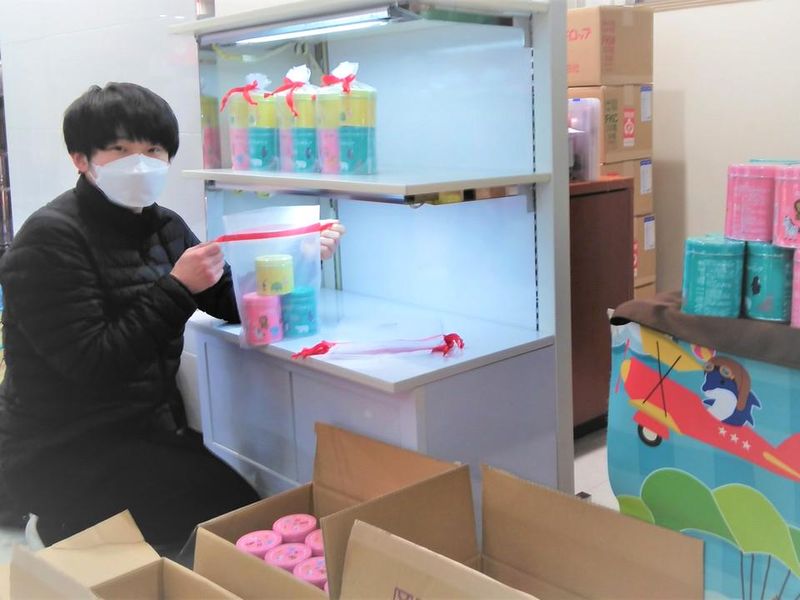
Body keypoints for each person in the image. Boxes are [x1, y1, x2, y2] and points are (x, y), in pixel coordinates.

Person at [0, 82, 344, 549]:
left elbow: (227, 300)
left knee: (244, 511)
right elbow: (93, 364)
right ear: (81, 159)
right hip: (62, 448)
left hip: (141, 431)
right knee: (232, 526)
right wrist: (178, 287)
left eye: (153, 150)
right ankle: (63, 528)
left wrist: (295, 257)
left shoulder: (163, 225)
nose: (140, 163)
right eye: (120, 150)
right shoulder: (48, 240)